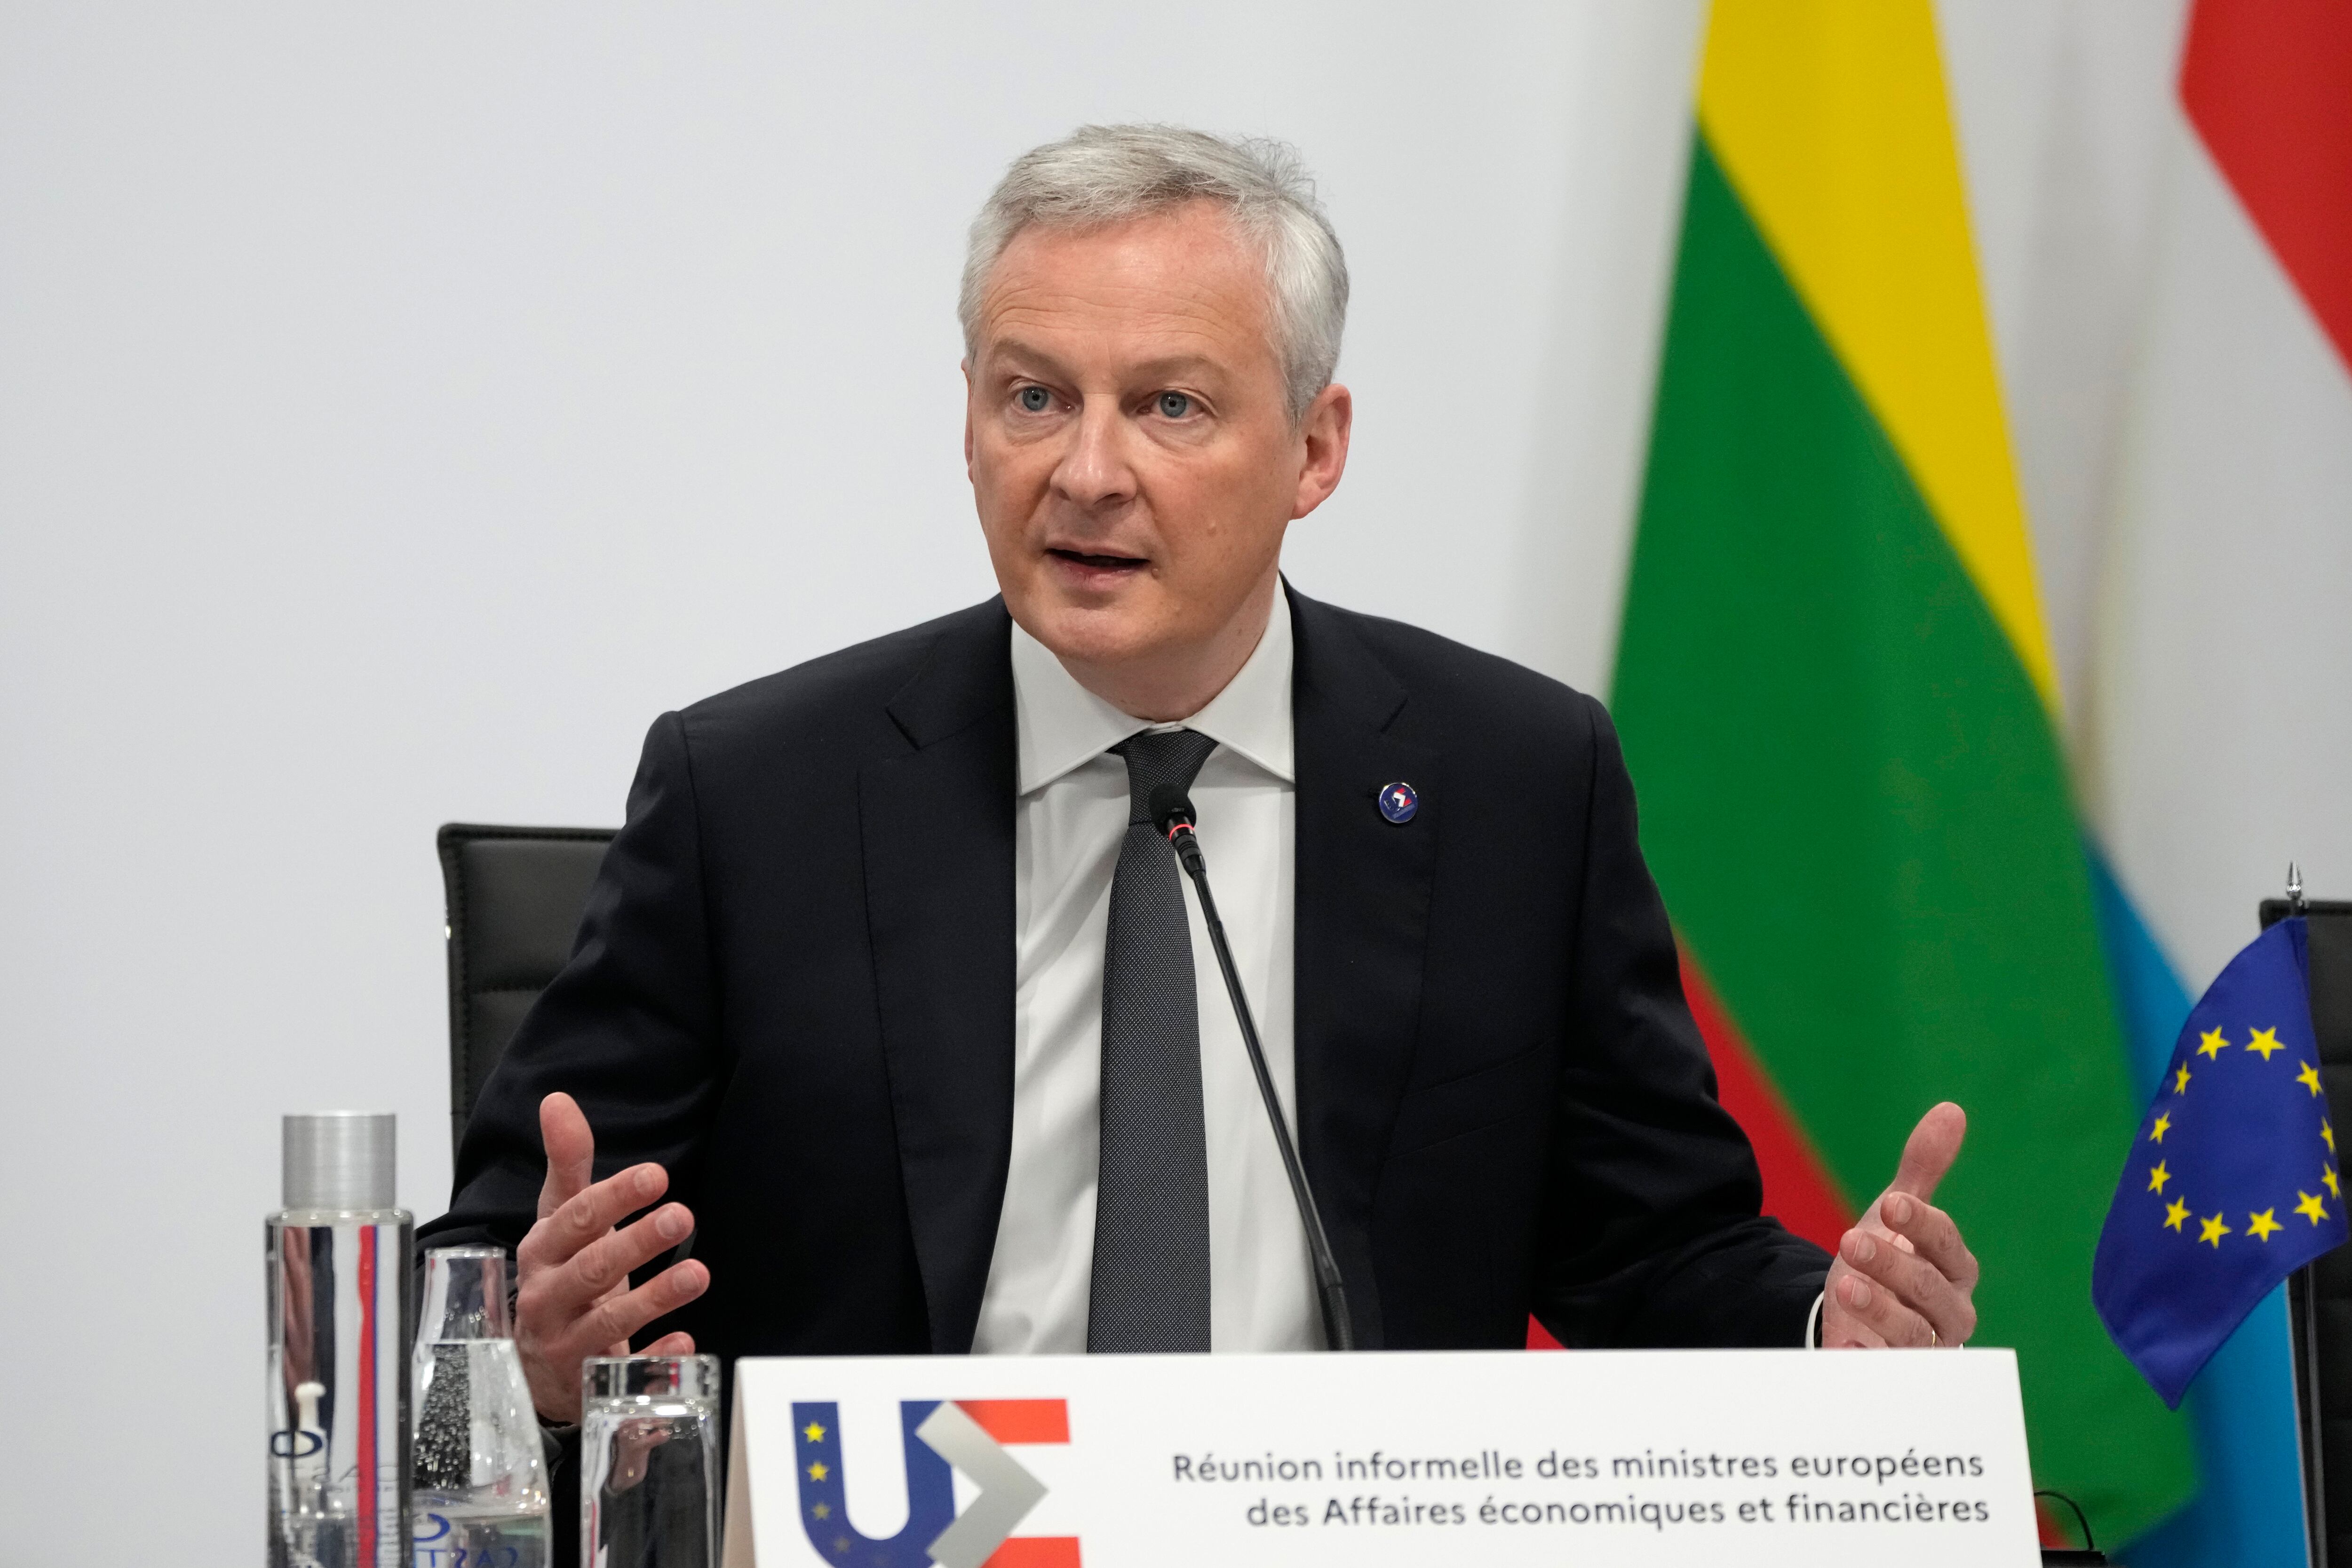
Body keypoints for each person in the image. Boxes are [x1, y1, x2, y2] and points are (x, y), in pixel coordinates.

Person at [421, 125, 1980, 1428]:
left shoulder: (1514, 784)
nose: (1087, 473)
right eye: (1034, 397)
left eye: (1170, 405)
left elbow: (1650, 1250)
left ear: (1315, 449)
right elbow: (486, 1273)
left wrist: (1827, 1335)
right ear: (969, 421)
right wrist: (525, 1360)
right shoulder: (757, 797)